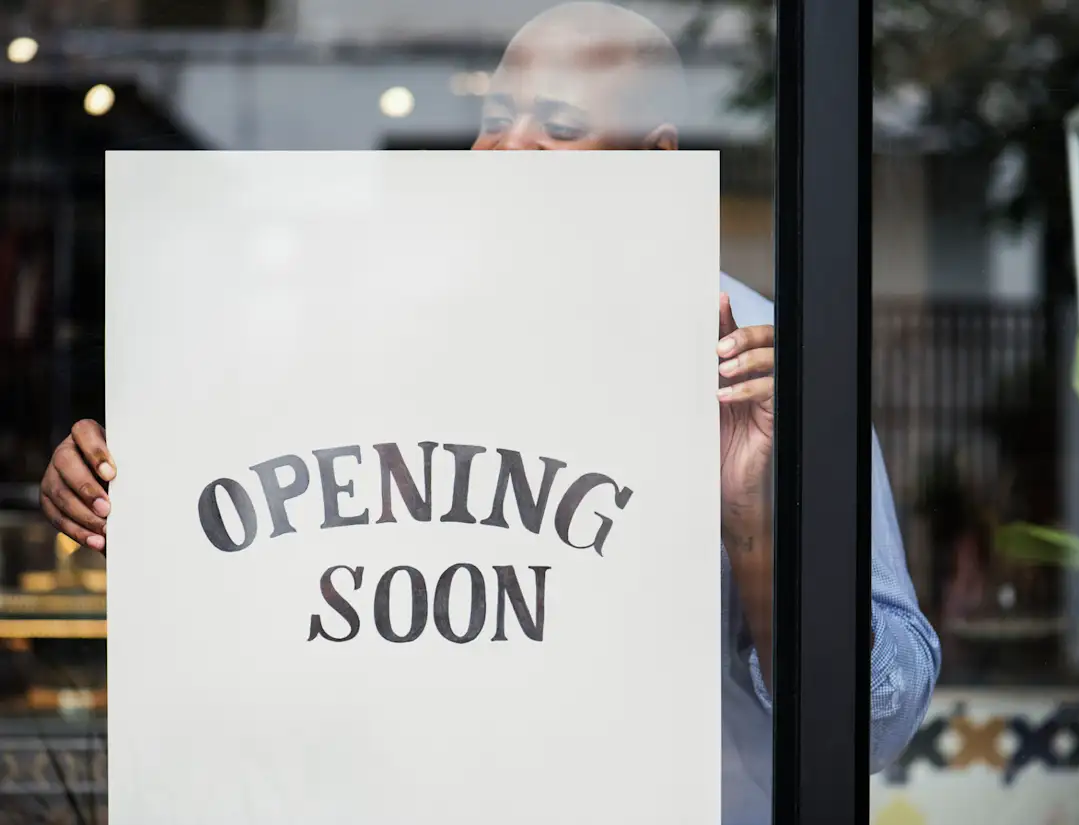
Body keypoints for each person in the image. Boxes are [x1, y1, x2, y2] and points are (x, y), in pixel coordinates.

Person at [37, 2, 939, 821]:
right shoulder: (371, 336)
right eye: (494, 118)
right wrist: (131, 489)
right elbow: (280, 563)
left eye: (560, 126)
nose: (510, 150)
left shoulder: (759, 370)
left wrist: (753, 525)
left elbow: (874, 724)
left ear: (654, 159)